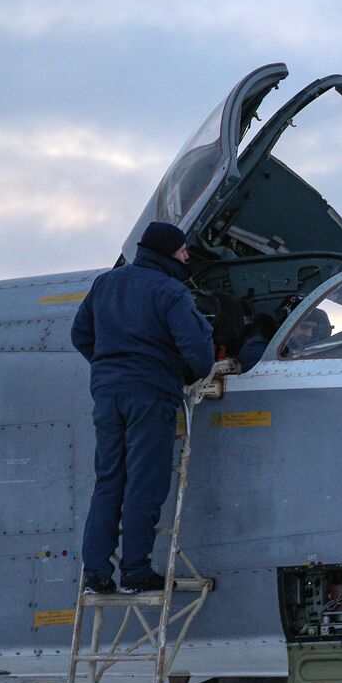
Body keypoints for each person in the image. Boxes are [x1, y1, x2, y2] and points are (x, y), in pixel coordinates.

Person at [70, 222, 216, 594]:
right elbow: (198, 351)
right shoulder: (171, 291)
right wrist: (185, 374)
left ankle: (97, 574)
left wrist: (109, 369)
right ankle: (135, 571)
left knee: (108, 483)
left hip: (107, 395)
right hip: (150, 394)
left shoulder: (106, 283)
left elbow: (80, 335)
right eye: (183, 250)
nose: (187, 256)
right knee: (144, 484)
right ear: (168, 252)